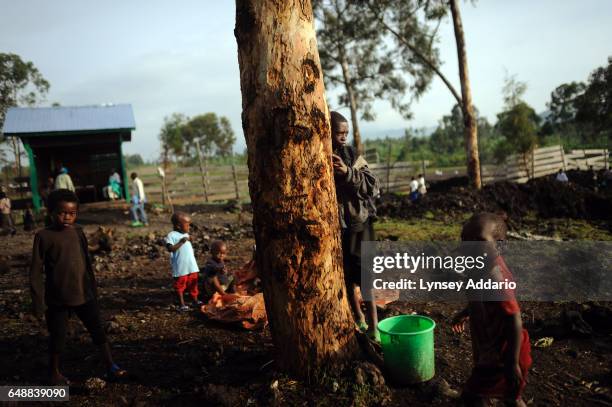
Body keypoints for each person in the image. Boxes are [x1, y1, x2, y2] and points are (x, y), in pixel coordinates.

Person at [30, 189, 127, 385]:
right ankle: (54, 373)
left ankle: (111, 366)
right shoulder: (43, 236)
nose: (67, 217)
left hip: (84, 294)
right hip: (57, 299)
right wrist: (38, 303)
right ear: (50, 212)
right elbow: (35, 272)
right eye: (62, 212)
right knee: (58, 337)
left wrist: (93, 289)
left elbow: (87, 264)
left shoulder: (78, 232)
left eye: (72, 213)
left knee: (98, 331)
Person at [452, 213, 531, 406]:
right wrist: (465, 313)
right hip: (492, 347)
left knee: (474, 395)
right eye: (465, 239)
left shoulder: (495, 277)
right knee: (509, 396)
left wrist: (511, 363)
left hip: (504, 352)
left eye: (478, 240)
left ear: (500, 246)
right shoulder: (479, 268)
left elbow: (514, 318)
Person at [330, 111, 381, 342]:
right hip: (334, 228)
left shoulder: (351, 155)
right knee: (346, 274)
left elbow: (372, 185)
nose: (343, 137)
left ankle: (374, 326)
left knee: (365, 274)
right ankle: (358, 318)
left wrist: (347, 173)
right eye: (338, 133)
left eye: (345, 133)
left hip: (358, 224)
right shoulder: (317, 154)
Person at [165, 212, 201, 311]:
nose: (189, 226)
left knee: (193, 283)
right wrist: (181, 242)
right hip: (181, 267)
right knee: (180, 285)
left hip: (191, 265)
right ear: (178, 226)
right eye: (187, 224)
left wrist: (190, 238)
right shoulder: (171, 235)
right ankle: (182, 304)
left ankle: (195, 300)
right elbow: (170, 248)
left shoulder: (186, 234)